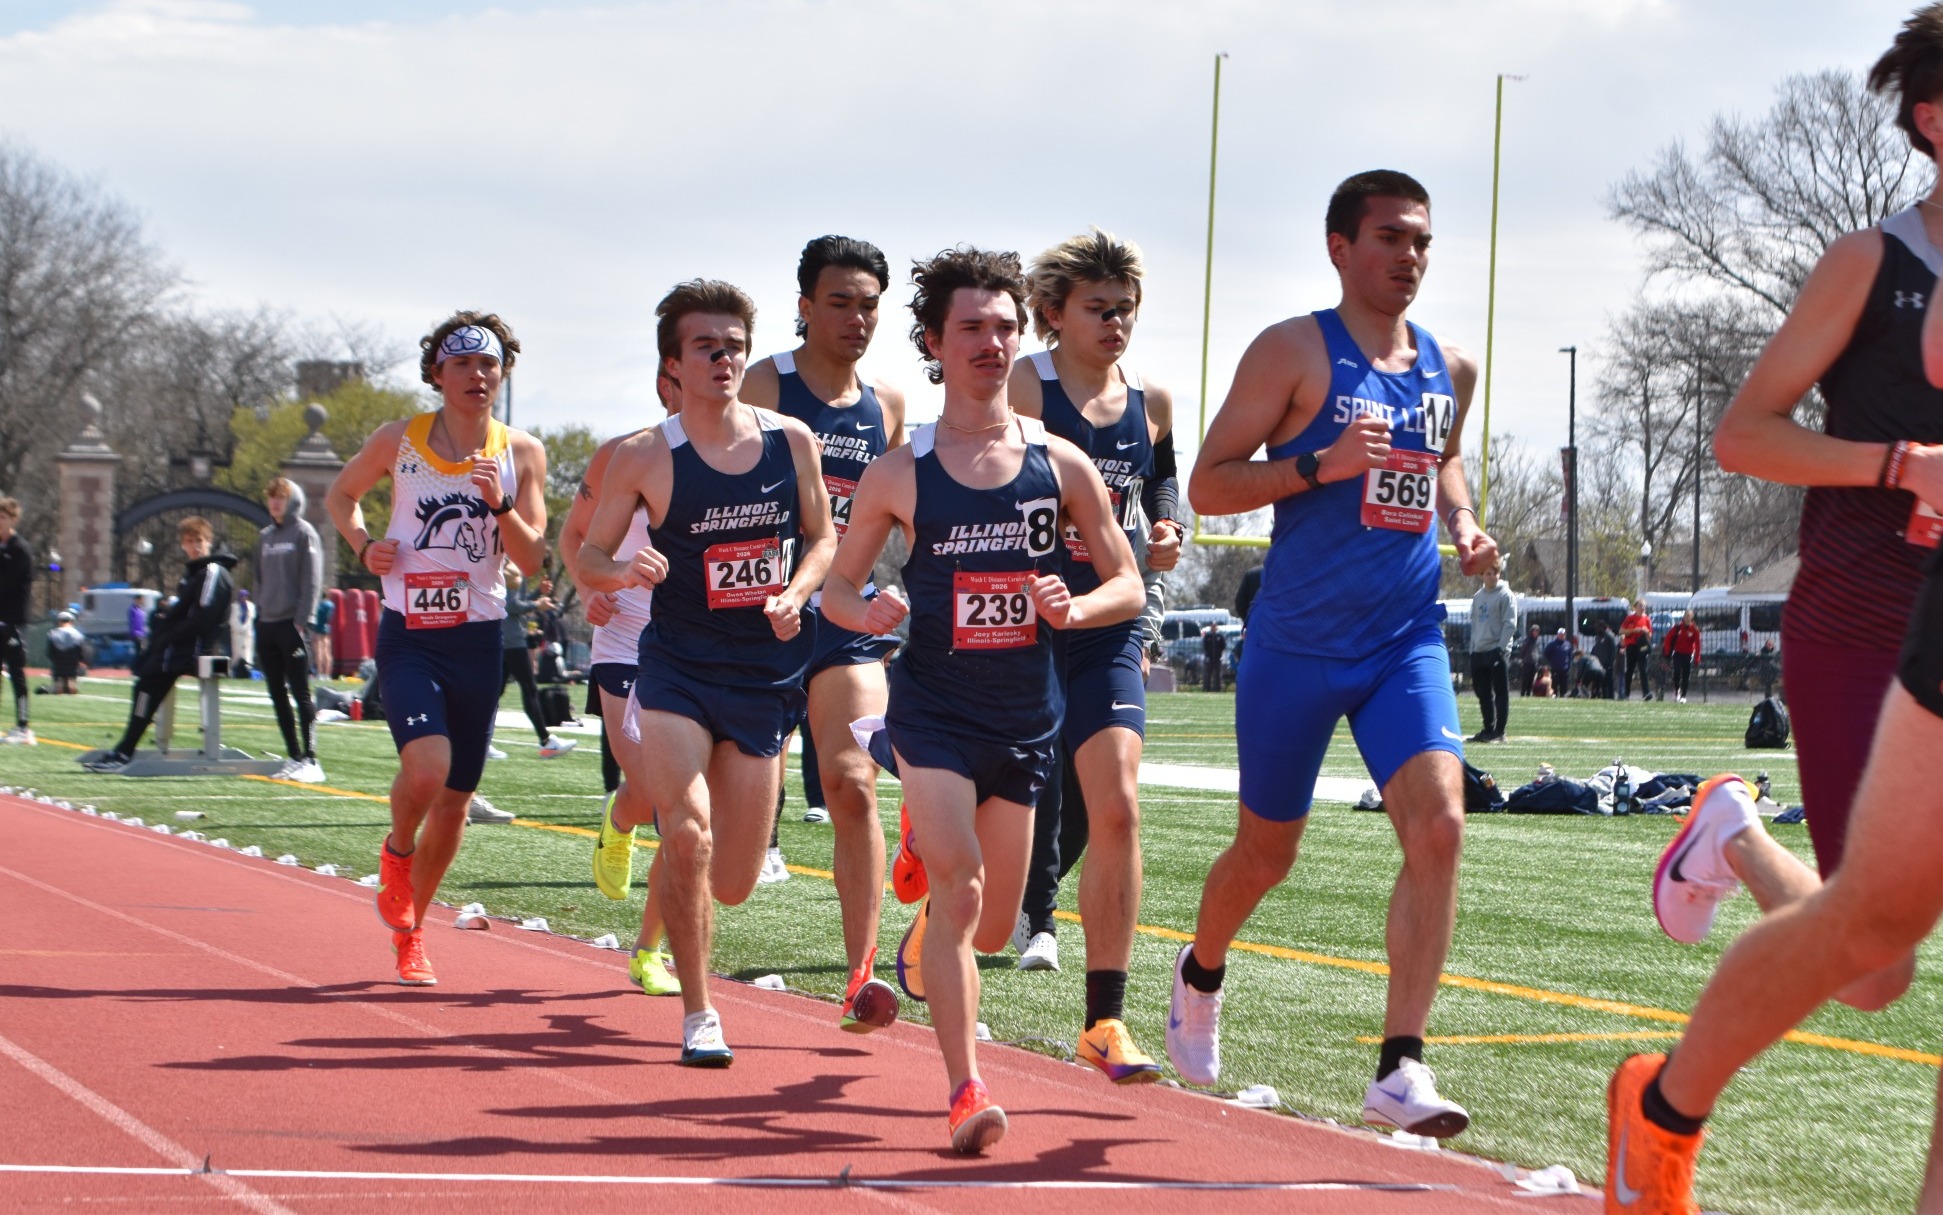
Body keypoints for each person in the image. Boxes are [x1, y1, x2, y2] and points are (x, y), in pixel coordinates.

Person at [1606, 12, 1943, 1209]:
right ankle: (1730, 835)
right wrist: (1898, 462)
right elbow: (1740, 434)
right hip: (1866, 619)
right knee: (1873, 967)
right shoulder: (1874, 264)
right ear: (1933, 121)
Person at [1172, 170, 1497, 1139]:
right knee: (1265, 855)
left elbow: (1440, 461)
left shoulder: (1450, 365)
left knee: (1439, 826)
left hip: (1401, 638)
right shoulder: (1290, 352)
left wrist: (1464, 523)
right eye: (1389, 238)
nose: (1408, 257)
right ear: (1338, 247)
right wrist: (1318, 463)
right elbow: (1206, 487)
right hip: (1297, 644)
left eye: (1420, 242)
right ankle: (1198, 973)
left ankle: (1399, 1068)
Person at [822, 245, 1143, 1152]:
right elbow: (837, 590)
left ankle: (921, 927)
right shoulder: (902, 469)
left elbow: (1127, 582)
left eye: (1005, 326)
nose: (991, 342)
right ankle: (965, 1090)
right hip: (933, 710)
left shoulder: (1061, 462)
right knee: (963, 889)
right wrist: (872, 604)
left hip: (1025, 717)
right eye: (971, 326)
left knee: (991, 922)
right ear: (934, 341)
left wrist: (1072, 606)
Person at [576, 279, 834, 1068]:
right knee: (685, 833)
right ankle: (698, 1012)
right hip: (677, 668)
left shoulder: (791, 441)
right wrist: (620, 574)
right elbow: (587, 551)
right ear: (673, 365)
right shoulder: (644, 455)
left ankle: (692, 944)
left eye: (732, 345)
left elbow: (824, 537)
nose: (722, 358)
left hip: (762, 673)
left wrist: (795, 589)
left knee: (732, 880)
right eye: (705, 347)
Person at [998, 227, 1181, 1080]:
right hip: (1021, 621)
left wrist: (1167, 523)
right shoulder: (1024, 386)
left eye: (1126, 310)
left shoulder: (1152, 398)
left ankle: (1103, 1019)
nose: (1116, 324)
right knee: (1008, 813)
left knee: (1115, 807)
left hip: (1108, 618)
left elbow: (1161, 478)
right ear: (1052, 315)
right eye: (1099, 310)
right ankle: (967, 892)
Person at [324, 311, 549, 988]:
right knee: (426, 771)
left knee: (454, 800)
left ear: (502, 373)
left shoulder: (521, 452)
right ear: (437, 374)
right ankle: (396, 854)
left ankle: (412, 930)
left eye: (488, 364)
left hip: (478, 636)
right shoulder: (400, 440)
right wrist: (366, 546)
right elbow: (341, 495)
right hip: (410, 633)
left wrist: (501, 504)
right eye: (462, 364)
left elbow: (533, 558)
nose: (477, 376)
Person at [740, 235, 909, 1029]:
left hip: (843, 617)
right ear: (804, 307)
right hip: (762, 619)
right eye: (838, 301)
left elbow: (891, 512)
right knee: (737, 841)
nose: (855, 317)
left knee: (851, 779)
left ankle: (861, 976)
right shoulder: (764, 382)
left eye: (868, 302)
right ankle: (660, 922)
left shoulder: (887, 402)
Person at [564, 365, 679, 999]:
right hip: (627, 639)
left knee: (681, 808)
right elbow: (574, 538)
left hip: (697, 649)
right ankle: (619, 814)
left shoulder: (747, 454)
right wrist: (592, 590)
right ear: (668, 382)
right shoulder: (621, 455)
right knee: (651, 792)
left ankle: (648, 950)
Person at [86, 516, 236, 769]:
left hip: (197, 648)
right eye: (189, 541)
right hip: (182, 645)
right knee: (144, 677)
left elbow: (203, 615)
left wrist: (170, 633)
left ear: (209, 541)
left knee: (148, 684)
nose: (195, 546)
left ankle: (125, 751)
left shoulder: (211, 571)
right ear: (182, 544)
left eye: (199, 540)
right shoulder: (194, 573)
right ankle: (126, 747)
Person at [254, 478, 325, 783]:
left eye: (281, 497)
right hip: (267, 624)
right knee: (276, 693)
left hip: (291, 625)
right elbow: (258, 578)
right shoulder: (264, 537)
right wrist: (259, 610)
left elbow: (312, 579)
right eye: (272, 498)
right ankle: (293, 755)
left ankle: (310, 758)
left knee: (300, 692)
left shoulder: (304, 533)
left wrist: (302, 618)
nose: (275, 503)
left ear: (293, 500)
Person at [495, 567, 577, 758]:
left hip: (507, 638)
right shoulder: (512, 568)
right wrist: (537, 604)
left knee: (496, 692)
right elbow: (512, 605)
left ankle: (478, 741)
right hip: (513, 640)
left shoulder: (511, 568)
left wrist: (536, 594)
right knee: (529, 688)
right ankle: (546, 741)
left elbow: (515, 603)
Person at [1467, 561, 1515, 741]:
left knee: (1500, 692)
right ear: (1481, 575)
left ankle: (1500, 731)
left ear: (1499, 574)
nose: (1491, 577)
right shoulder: (1478, 596)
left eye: (1494, 573)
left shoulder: (1505, 595)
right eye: (1487, 573)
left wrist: (1501, 649)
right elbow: (1475, 624)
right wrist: (1473, 648)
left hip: (1496, 650)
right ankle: (1488, 728)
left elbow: (1510, 625)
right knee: (1482, 692)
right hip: (1479, 650)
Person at [0, 497, 32, 744]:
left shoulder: (19, 549)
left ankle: (23, 727)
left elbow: (8, 584)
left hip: (11, 621)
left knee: (16, 672)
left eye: (3, 517)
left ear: (12, 520)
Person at [1663, 609, 1701, 703]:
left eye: (1689, 616)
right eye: (1686, 616)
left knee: (1686, 674)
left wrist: (1697, 657)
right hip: (1677, 653)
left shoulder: (1694, 629)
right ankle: (1676, 691)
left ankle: (1683, 695)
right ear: (1683, 617)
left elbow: (1698, 644)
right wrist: (1667, 651)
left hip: (1688, 654)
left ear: (1692, 617)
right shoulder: (1677, 628)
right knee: (1677, 672)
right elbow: (1668, 638)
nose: (1687, 618)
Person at [1619, 599, 1654, 700]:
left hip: (1642, 646)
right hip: (1632, 646)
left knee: (1643, 669)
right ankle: (1626, 693)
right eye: (1640, 606)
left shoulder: (1647, 619)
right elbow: (1621, 630)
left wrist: (1646, 632)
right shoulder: (1630, 618)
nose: (1642, 608)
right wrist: (1633, 630)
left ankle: (1646, 693)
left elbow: (1650, 634)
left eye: (1643, 606)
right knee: (1630, 670)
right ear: (1635, 607)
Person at [45, 610, 84, 694]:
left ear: (59, 621)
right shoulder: (77, 634)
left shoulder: (53, 633)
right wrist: (80, 660)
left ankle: (59, 688)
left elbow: (50, 651)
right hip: (72, 662)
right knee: (71, 679)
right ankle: (71, 686)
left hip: (58, 662)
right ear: (70, 621)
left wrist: (54, 659)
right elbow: (80, 651)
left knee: (59, 682)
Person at [228, 589, 256, 678]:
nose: (244, 598)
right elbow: (232, 621)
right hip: (237, 635)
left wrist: (245, 628)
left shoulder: (251, 606)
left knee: (248, 655)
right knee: (237, 654)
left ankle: (248, 672)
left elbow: (251, 619)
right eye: (242, 596)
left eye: (246, 596)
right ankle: (234, 672)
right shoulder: (234, 607)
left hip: (247, 635)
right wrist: (240, 628)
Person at [1591, 620, 1619, 699]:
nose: (1596, 630)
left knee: (1609, 681)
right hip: (1599, 663)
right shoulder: (1598, 637)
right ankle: (1604, 696)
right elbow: (1596, 648)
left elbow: (1613, 650)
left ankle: (1610, 697)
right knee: (1602, 681)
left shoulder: (1609, 636)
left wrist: (1610, 662)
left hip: (1607, 664)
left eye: (1598, 628)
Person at [1544, 627, 1572, 698]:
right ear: (1557, 635)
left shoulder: (1568, 644)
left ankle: (1563, 697)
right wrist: (1552, 661)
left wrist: (1568, 665)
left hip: (1564, 669)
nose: (1562, 635)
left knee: (1564, 685)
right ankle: (1554, 697)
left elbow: (1570, 655)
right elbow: (1546, 653)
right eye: (1560, 634)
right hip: (1555, 668)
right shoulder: (1552, 644)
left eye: (1563, 634)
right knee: (1555, 685)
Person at [310, 594, 333, 677]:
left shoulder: (319, 605)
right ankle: (327, 673)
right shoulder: (331, 605)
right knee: (327, 651)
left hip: (318, 628)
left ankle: (319, 672)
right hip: (327, 627)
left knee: (318, 650)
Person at [1199, 622, 1226, 691]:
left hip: (1217, 658)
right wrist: (1207, 654)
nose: (1213, 628)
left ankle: (1217, 688)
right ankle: (1206, 688)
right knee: (1208, 673)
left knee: (1217, 674)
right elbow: (1205, 646)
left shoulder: (1219, 636)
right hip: (1209, 658)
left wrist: (1220, 653)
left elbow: (1223, 646)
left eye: (1214, 626)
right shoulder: (1208, 636)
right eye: (1212, 626)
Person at [1517, 623, 1542, 697]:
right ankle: (1522, 693)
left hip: (1534, 663)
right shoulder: (1527, 640)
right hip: (1527, 662)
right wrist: (1521, 659)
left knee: (1531, 679)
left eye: (1537, 631)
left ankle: (1528, 693)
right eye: (1534, 631)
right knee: (1525, 679)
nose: (1536, 633)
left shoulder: (1537, 641)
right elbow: (1523, 650)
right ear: (1531, 631)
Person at [128, 597, 149, 671]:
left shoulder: (142, 610)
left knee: (143, 651)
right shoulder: (132, 610)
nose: (141, 601)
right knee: (139, 650)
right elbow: (132, 622)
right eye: (140, 600)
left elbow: (144, 622)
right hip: (136, 633)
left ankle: (139, 666)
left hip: (143, 633)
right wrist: (133, 633)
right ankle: (135, 667)